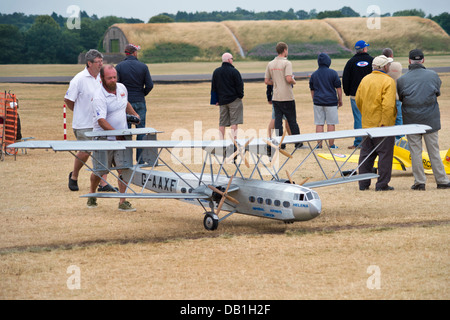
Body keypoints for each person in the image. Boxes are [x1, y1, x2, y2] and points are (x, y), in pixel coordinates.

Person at [86, 64, 141, 211]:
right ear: (102, 79)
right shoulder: (99, 96)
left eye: (114, 77)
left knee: (123, 169)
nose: (113, 80)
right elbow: (101, 121)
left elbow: (125, 103)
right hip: (104, 139)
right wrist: (116, 134)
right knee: (100, 170)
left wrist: (135, 115)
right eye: (109, 78)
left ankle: (123, 201)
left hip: (122, 137)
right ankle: (92, 194)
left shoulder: (122, 88)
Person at [397, 49, 450, 190]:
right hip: (430, 119)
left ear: (409, 61)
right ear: (423, 60)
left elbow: (401, 97)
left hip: (411, 120)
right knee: (434, 150)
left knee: (415, 151)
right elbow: (437, 92)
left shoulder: (402, 79)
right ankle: (442, 180)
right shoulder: (433, 75)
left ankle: (420, 181)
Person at [64, 49, 114, 192]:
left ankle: (103, 183)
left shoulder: (102, 78)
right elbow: (68, 99)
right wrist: (80, 111)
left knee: (102, 151)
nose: (100, 64)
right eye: (97, 62)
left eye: (101, 61)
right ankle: (74, 176)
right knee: (86, 152)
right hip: (83, 123)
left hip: (99, 123)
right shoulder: (78, 79)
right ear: (89, 63)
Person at [355, 55, 397, 191]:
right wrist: (386, 122)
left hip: (367, 124)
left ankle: (363, 183)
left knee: (366, 154)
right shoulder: (388, 81)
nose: (389, 67)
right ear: (384, 67)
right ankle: (382, 184)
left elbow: (358, 100)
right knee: (385, 155)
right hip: (382, 126)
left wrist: (366, 115)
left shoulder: (365, 79)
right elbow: (388, 105)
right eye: (388, 65)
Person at [116, 44, 154, 163]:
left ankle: (126, 159)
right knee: (141, 130)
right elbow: (150, 85)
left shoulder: (119, 67)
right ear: (134, 53)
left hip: (125, 103)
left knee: (126, 131)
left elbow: (116, 85)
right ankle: (140, 159)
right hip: (139, 100)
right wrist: (142, 93)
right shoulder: (143, 66)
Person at [264, 42, 302, 148]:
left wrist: (276, 83)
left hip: (276, 96)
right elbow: (288, 78)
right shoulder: (287, 63)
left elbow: (267, 81)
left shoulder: (270, 63)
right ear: (285, 50)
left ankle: (281, 143)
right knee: (292, 121)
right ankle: (298, 142)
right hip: (287, 96)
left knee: (278, 122)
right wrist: (294, 81)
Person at [343, 40, 374, 149]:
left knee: (358, 118)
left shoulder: (351, 62)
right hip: (370, 94)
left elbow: (346, 78)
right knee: (371, 117)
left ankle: (359, 142)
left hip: (355, 95)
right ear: (365, 49)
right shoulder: (372, 61)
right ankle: (371, 141)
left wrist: (347, 91)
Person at [309, 52, 343, 148]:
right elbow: (338, 88)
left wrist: (314, 99)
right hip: (331, 102)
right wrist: (340, 100)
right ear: (328, 61)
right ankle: (331, 145)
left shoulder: (314, 74)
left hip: (318, 101)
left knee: (319, 123)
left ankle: (319, 145)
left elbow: (312, 90)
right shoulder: (333, 73)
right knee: (331, 123)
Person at [211, 52, 244, 140]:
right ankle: (234, 141)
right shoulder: (234, 71)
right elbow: (239, 85)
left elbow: (214, 87)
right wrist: (240, 96)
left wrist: (215, 100)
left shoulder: (216, 72)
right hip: (234, 100)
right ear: (229, 60)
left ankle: (221, 142)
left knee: (222, 122)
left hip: (222, 100)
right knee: (234, 122)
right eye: (232, 59)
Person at [383, 48, 403, 138]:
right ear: (392, 55)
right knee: (398, 118)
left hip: (385, 97)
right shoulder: (397, 65)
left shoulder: (382, 67)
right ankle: (400, 138)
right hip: (397, 96)